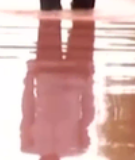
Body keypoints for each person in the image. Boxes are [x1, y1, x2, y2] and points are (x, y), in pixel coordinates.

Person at [20, 18, 95, 160]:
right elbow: (87, 113)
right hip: (69, 76)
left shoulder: (28, 145)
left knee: (50, 23)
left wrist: (29, 77)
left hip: (52, 76)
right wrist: (89, 81)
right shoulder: (78, 147)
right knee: (80, 24)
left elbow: (27, 110)